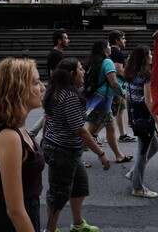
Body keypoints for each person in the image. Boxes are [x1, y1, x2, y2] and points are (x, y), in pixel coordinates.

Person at [42, 57, 110, 232]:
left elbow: (47, 119)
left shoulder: (58, 90)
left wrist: (44, 139)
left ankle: (78, 224)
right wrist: (101, 153)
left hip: (65, 149)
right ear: (72, 74)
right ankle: (50, 230)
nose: (84, 72)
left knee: (80, 186)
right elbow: (79, 129)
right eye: (81, 69)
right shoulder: (70, 96)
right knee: (59, 194)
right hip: (62, 151)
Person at [0, 57, 46, 232]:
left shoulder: (16, 127)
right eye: (37, 82)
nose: (43, 88)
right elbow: (15, 210)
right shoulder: (9, 137)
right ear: (19, 89)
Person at [123, 46, 158, 199]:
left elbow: (128, 96)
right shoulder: (146, 75)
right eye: (149, 54)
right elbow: (148, 101)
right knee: (143, 150)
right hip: (145, 114)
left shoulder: (130, 73)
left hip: (135, 112)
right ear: (144, 57)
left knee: (155, 145)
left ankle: (133, 172)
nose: (152, 56)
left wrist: (129, 117)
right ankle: (138, 187)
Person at [84, 40, 132, 163]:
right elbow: (114, 82)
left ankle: (119, 155)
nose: (110, 47)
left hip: (97, 97)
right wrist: (122, 93)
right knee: (89, 133)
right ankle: (75, 156)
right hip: (103, 100)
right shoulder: (108, 62)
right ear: (105, 49)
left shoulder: (94, 61)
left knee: (110, 128)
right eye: (108, 45)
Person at [107, 30, 135, 142]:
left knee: (120, 110)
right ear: (117, 40)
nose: (125, 40)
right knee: (111, 113)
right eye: (123, 38)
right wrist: (129, 76)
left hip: (117, 86)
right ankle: (93, 135)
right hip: (116, 86)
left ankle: (123, 134)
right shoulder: (116, 53)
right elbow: (118, 71)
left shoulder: (113, 52)